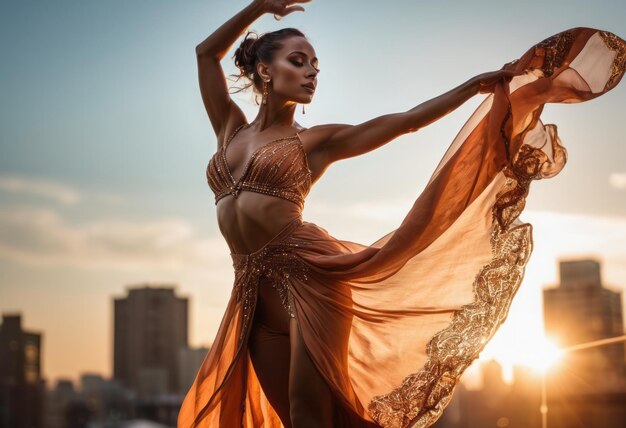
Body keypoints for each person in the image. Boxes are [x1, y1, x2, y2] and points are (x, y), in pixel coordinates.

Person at [178, 1, 626, 427]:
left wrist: (471, 87)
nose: (312, 72)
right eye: (300, 61)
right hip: (252, 293)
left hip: (310, 282)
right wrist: (260, 7)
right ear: (264, 69)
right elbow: (205, 53)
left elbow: (407, 121)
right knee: (293, 420)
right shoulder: (229, 128)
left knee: (309, 415)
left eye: (316, 65)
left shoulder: (314, 141)